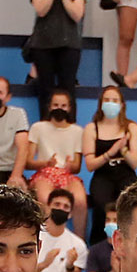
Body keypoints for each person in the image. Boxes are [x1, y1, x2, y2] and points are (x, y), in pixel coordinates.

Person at [23, 0, 86, 119]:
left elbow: (77, 14)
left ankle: (70, 126)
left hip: (69, 45)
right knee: (45, 89)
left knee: (68, 89)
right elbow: (41, 10)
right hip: (43, 45)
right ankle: (45, 125)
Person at [81, 83, 137, 240]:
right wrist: (110, 152)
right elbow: (90, 165)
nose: (110, 103)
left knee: (131, 202)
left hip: (125, 172)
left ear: (121, 105)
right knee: (102, 205)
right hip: (103, 173)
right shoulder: (91, 128)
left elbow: (135, 162)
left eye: (114, 100)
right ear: (101, 104)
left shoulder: (131, 127)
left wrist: (124, 150)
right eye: (106, 100)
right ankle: (99, 244)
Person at [24, 86, 85, 235]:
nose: (60, 108)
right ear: (49, 107)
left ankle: (80, 240)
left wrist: (71, 166)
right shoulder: (38, 128)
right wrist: (45, 163)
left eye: (63, 105)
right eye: (56, 105)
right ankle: (46, 237)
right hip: (44, 173)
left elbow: (77, 166)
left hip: (67, 174)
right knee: (45, 198)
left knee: (80, 200)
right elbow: (28, 161)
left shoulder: (77, 131)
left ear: (69, 108)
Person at [35, 186, 87, 272]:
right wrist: (44, 264)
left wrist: (70, 266)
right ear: (48, 207)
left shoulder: (78, 245)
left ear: (70, 214)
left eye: (66, 207)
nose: (61, 209)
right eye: (57, 204)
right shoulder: (34, 234)